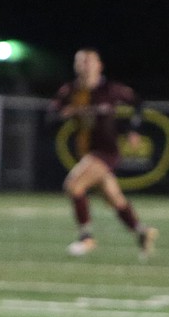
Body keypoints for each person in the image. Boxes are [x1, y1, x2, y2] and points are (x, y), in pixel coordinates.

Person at [51, 48, 158, 260]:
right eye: (80, 62)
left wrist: (133, 130)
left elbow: (138, 104)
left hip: (106, 152)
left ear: (99, 65)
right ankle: (142, 232)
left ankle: (86, 237)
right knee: (115, 199)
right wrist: (65, 113)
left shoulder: (110, 89)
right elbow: (51, 115)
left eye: (89, 61)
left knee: (73, 186)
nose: (85, 66)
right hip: (86, 153)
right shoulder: (70, 91)